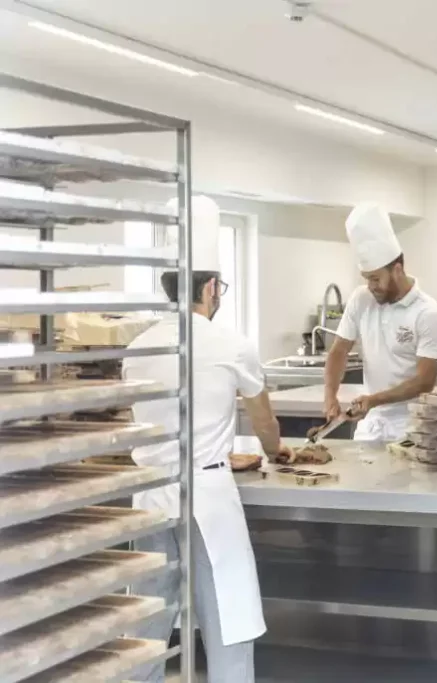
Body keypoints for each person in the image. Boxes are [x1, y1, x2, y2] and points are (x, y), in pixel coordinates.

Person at [125, 196, 292, 682]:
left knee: (148, 622)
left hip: (151, 494)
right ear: (213, 288)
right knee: (228, 617)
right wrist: (277, 451)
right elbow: (265, 426)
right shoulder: (233, 345)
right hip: (208, 497)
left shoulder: (138, 346)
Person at [323, 203, 437, 440]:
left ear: (397, 270)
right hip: (370, 426)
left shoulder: (429, 313)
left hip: (412, 427)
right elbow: (338, 351)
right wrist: (330, 395)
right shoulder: (361, 299)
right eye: (366, 279)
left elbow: (424, 381)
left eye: (376, 278)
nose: (371, 286)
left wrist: (374, 400)